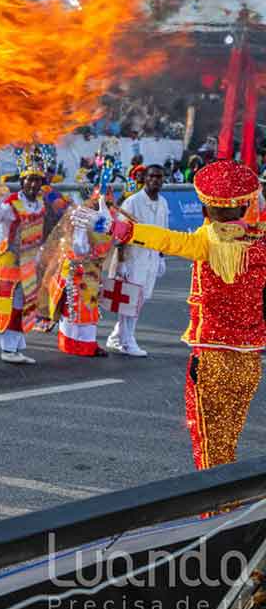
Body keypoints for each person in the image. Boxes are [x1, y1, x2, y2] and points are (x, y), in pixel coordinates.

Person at [77, 159, 266, 470]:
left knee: (208, 446)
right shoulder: (260, 243)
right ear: (246, 207)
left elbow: (163, 238)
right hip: (249, 362)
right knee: (229, 440)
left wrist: (113, 227)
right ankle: (227, 505)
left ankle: (215, 511)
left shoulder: (204, 243)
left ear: (205, 210)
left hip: (212, 359)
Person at [0, 149, 49, 365]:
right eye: (29, 179)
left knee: (26, 302)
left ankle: (16, 343)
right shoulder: (11, 203)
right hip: (10, 260)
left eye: (37, 180)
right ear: (22, 181)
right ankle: (8, 348)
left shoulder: (40, 203)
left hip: (30, 261)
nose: (33, 184)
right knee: (10, 302)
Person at [106, 163, 169, 356]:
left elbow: (164, 233)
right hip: (133, 259)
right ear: (145, 178)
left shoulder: (163, 203)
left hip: (151, 258)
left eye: (159, 177)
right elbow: (120, 234)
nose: (155, 180)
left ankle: (116, 337)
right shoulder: (133, 202)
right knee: (131, 300)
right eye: (152, 176)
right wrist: (122, 261)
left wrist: (161, 257)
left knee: (140, 301)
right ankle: (127, 342)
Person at [44, 194, 115, 357]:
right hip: (76, 270)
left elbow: (107, 244)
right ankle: (70, 343)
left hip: (91, 272)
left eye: (105, 204)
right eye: (96, 205)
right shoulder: (80, 220)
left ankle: (87, 344)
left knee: (89, 307)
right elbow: (78, 248)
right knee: (72, 307)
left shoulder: (106, 221)